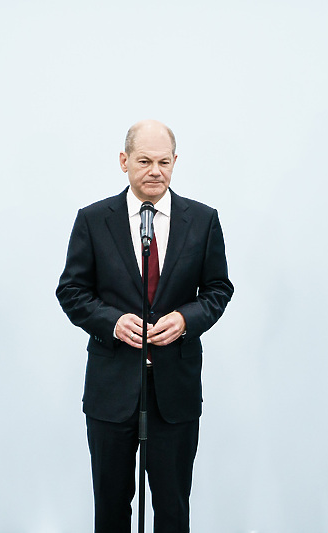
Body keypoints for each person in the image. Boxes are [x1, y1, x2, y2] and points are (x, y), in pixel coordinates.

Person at [56, 120, 233, 532]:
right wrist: (113, 322)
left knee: (172, 509)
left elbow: (219, 288)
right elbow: (72, 291)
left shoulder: (203, 220)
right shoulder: (93, 219)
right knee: (112, 508)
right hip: (111, 388)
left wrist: (186, 319)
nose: (156, 171)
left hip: (175, 392)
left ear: (176, 163)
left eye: (164, 162)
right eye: (145, 161)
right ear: (124, 162)